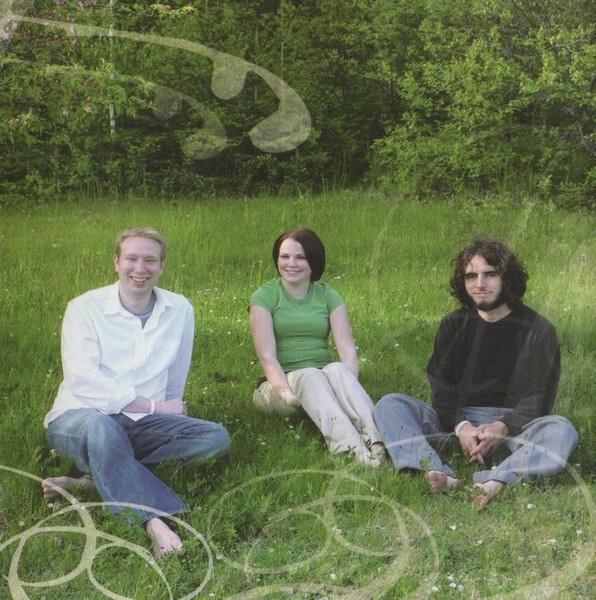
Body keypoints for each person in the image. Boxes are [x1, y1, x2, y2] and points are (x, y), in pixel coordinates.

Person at [42, 227, 230, 558]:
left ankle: (97, 480)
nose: (140, 269)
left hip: (140, 423)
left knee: (215, 438)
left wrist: (170, 409)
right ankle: (154, 521)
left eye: (150, 261)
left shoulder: (180, 309)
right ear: (116, 262)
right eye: (131, 259)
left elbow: (176, 373)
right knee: (103, 426)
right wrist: (155, 407)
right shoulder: (84, 308)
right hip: (80, 418)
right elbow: (82, 380)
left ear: (162, 266)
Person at [374, 239, 578, 506]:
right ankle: (434, 471)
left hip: (515, 429)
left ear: (507, 278)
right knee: (390, 404)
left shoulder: (539, 329)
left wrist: (503, 426)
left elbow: (539, 397)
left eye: (490, 274)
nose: (480, 284)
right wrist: (461, 427)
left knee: (561, 429)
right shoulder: (452, 325)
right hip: (456, 425)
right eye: (471, 276)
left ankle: (494, 482)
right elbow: (442, 388)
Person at [249, 227, 386, 466]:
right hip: (278, 386)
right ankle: (352, 451)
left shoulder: (328, 295)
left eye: (300, 257)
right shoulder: (264, 297)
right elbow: (267, 357)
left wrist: (345, 387)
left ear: (313, 260)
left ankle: (379, 444)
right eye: (284, 256)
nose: (291, 264)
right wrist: (289, 396)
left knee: (338, 369)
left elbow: (348, 352)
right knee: (309, 375)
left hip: (324, 380)